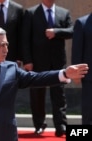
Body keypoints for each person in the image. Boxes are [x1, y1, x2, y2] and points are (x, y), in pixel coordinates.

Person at [21, 0, 73, 136]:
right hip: (37, 62)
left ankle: (61, 125)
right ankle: (39, 124)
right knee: (37, 94)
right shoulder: (31, 13)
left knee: (59, 95)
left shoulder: (64, 12)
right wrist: (27, 60)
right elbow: (25, 38)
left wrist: (56, 32)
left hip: (57, 62)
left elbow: (72, 30)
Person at [72, 13, 92, 125]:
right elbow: (77, 50)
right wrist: (76, 73)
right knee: (89, 112)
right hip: (89, 77)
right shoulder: (82, 23)